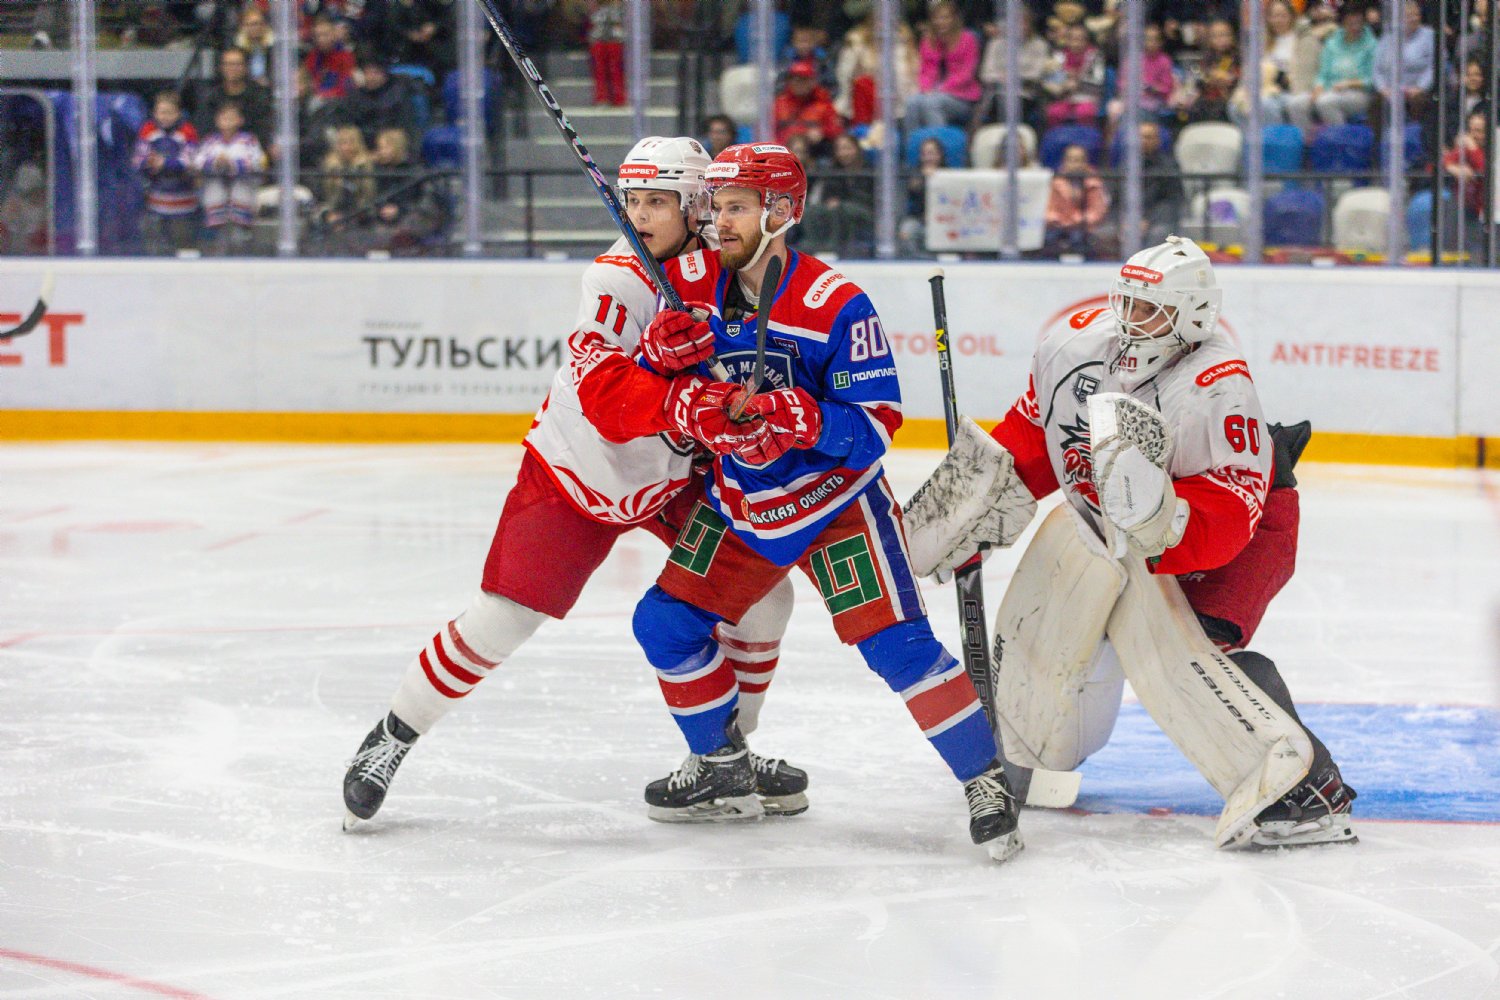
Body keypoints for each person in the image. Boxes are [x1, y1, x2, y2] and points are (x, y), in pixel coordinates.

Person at [341, 137, 805, 829]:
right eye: (633, 200)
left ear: (698, 206)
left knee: (764, 596)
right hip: (576, 472)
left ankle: (726, 754)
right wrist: (658, 372)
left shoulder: (721, 267)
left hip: (671, 476)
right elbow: (604, 398)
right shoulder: (615, 279)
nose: (640, 215)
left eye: (658, 201)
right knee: (503, 619)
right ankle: (392, 736)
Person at [624, 142, 1023, 860]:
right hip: (744, 498)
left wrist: (804, 418)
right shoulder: (689, 290)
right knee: (665, 624)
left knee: (897, 648)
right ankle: (723, 768)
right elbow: (662, 389)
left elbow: (876, 427)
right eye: (714, 205)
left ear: (782, 212)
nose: (719, 221)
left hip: (837, 502)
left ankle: (985, 782)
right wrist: (661, 358)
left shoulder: (835, 302)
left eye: (737, 206)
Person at [903, 235, 1357, 850]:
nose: (1131, 321)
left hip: (1241, 534)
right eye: (1127, 303)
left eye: (1151, 309)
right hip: (1109, 528)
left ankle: (1304, 787)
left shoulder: (1217, 383)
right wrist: (967, 512)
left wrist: (1158, 519)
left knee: (1188, 651)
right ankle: (1027, 750)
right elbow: (1035, 442)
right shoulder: (1074, 347)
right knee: (1063, 624)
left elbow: (1229, 520)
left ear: (1193, 314)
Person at [1288, 1, 1376, 131]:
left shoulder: (1372, 44)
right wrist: (1318, 86)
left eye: (1358, 22)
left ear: (1364, 22)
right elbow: (1323, 73)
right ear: (1343, 23)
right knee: (1296, 104)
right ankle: (1307, 144)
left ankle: (1340, 142)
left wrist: (1349, 84)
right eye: (1350, 23)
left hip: (1359, 93)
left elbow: (1372, 80)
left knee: (1326, 102)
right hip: (1329, 89)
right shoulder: (1332, 43)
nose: (1355, 27)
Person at [194, 101, 266, 255]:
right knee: (214, 197)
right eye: (224, 117)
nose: (227, 121)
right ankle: (218, 245)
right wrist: (215, 162)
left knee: (241, 200)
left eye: (232, 117)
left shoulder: (249, 140)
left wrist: (232, 163)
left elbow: (256, 161)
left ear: (240, 120)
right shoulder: (210, 140)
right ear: (217, 120)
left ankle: (242, 245)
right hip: (216, 187)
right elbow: (199, 161)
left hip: (242, 186)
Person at [133, 90, 199, 256]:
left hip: (183, 197)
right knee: (158, 238)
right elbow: (138, 158)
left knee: (183, 239)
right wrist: (149, 162)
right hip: (156, 197)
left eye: (170, 112)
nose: (165, 116)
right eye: (162, 112)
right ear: (155, 113)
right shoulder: (148, 129)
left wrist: (166, 163)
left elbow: (191, 160)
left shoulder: (187, 131)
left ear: (178, 113)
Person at [906, 1, 983, 128]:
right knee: (912, 102)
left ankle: (939, 144)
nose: (940, 21)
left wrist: (940, 90)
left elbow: (967, 74)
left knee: (932, 102)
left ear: (954, 19)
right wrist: (925, 88)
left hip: (962, 96)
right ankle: (913, 145)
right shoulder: (927, 41)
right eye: (936, 18)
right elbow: (924, 71)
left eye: (945, 17)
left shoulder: (968, 39)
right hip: (931, 92)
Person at [1372, 0, 1434, 146]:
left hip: (1417, 90)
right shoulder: (1388, 38)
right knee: (1376, 104)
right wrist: (1383, 89)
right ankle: (1377, 147)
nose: (1413, 18)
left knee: (1418, 102)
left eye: (1416, 15)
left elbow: (1434, 67)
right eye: (1409, 15)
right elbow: (1377, 69)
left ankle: (1415, 145)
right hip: (1390, 89)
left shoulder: (1429, 36)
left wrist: (1420, 87)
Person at [191, 47, 275, 151]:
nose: (232, 68)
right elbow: (203, 128)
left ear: (246, 67)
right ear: (221, 67)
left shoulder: (259, 96)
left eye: (237, 64)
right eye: (228, 64)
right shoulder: (211, 97)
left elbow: (264, 129)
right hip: (216, 151)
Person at [1043, 142, 1110, 258]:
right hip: (1058, 226)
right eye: (1071, 160)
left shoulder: (1094, 183)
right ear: (1064, 162)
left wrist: (1077, 220)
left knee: (1078, 238)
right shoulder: (1055, 181)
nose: (1075, 164)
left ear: (1086, 163)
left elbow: (1097, 211)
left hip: (1084, 227)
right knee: (1048, 239)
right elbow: (1049, 208)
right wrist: (1057, 220)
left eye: (1079, 160)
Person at [773, 59, 844, 159]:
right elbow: (766, 130)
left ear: (812, 81)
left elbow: (836, 130)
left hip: (814, 155)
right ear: (789, 81)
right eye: (796, 79)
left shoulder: (823, 104)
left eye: (804, 79)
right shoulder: (779, 104)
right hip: (781, 154)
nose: (800, 83)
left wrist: (823, 132)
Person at [1042, 21, 1106, 128]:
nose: (1076, 43)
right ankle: (1058, 141)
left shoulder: (1095, 56)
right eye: (1072, 39)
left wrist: (1077, 81)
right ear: (1067, 40)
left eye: (1080, 39)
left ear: (1087, 40)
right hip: (1063, 97)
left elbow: (1097, 82)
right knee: (1054, 112)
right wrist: (1064, 84)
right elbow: (1051, 81)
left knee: (1085, 112)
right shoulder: (1059, 56)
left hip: (1087, 98)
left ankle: (1085, 143)